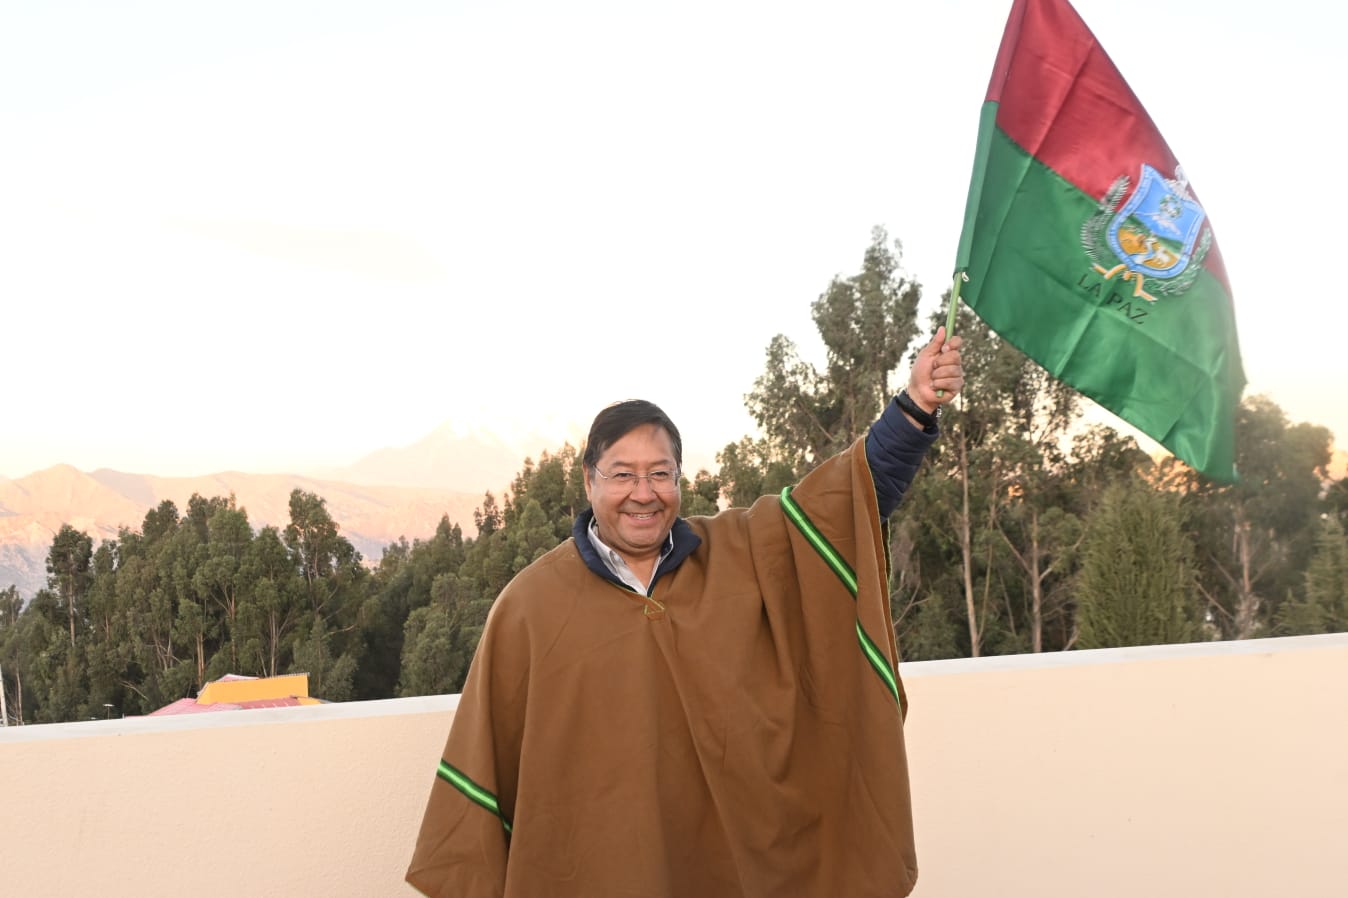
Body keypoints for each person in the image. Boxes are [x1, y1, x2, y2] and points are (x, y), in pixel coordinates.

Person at [407, 327, 965, 897]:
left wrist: (915, 406)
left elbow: (845, 503)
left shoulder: (743, 551)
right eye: (622, 474)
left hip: (736, 867)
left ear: (679, 478)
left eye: (660, 473)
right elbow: (482, 770)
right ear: (588, 480)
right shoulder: (529, 607)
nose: (643, 492)